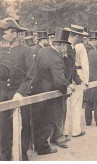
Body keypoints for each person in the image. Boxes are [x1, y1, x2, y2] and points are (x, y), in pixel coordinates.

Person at [32, 28, 74, 155]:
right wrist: (69, 86)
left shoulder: (43, 51)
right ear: (61, 45)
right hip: (50, 93)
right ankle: (43, 149)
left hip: (38, 90)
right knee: (48, 120)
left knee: (40, 120)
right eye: (65, 46)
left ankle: (38, 145)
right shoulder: (56, 58)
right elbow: (60, 81)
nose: (65, 49)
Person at [0, 17, 35, 161]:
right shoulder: (2, 51)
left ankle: (22, 154)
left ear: (14, 34)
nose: (3, 36)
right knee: (3, 126)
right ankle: (6, 154)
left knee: (22, 125)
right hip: (3, 94)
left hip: (18, 94)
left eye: (5, 33)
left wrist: (21, 92)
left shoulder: (26, 51)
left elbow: (32, 74)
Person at [63, 24, 88, 137]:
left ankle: (66, 131)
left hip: (70, 80)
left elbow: (72, 68)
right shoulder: (67, 47)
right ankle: (75, 131)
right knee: (74, 106)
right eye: (81, 36)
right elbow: (68, 68)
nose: (82, 39)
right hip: (66, 82)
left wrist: (79, 82)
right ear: (77, 36)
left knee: (68, 107)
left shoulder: (70, 47)